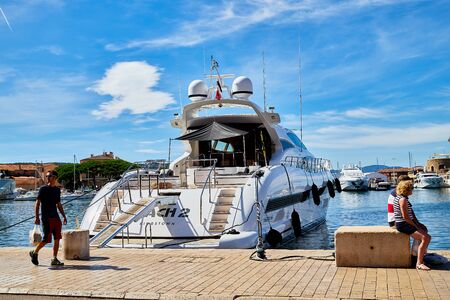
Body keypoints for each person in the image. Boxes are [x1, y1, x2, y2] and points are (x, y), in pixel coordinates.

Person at [29, 170, 67, 266]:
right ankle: (35, 252)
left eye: (49, 176)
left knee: (57, 238)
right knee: (46, 239)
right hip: (46, 217)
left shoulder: (57, 190)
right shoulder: (43, 189)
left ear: (54, 177)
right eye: (47, 176)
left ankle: (54, 259)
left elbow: (58, 204)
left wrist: (64, 216)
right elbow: (37, 203)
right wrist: (37, 217)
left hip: (56, 218)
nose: (47, 178)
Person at [393, 180, 431, 270]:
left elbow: (411, 214)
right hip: (403, 224)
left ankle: (416, 254)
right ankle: (419, 263)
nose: (412, 190)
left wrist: (418, 224)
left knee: (424, 230)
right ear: (406, 189)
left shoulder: (402, 198)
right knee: (426, 238)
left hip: (406, 223)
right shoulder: (402, 200)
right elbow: (405, 217)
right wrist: (416, 226)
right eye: (411, 188)